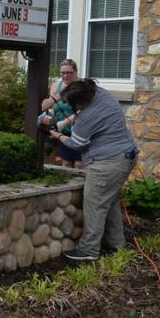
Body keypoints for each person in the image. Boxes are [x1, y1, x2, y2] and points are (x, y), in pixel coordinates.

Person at [49, 78, 138, 262]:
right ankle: (116, 245)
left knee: (95, 204)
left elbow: (76, 144)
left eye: (69, 103)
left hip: (107, 163)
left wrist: (57, 135)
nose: (67, 106)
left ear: (79, 102)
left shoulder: (88, 116)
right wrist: (66, 122)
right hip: (125, 154)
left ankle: (88, 250)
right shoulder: (101, 94)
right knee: (109, 201)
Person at [40, 59, 83, 168]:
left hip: (80, 130)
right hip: (63, 132)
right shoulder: (55, 86)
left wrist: (64, 122)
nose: (65, 75)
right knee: (66, 163)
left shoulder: (82, 86)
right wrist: (50, 119)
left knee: (79, 164)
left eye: (69, 72)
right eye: (62, 73)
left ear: (76, 72)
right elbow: (51, 106)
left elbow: (83, 111)